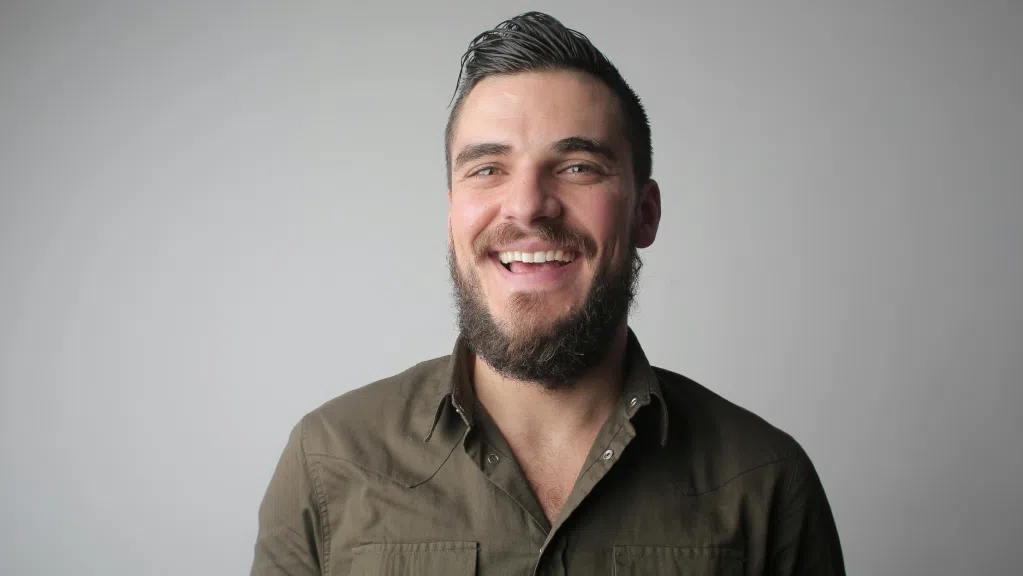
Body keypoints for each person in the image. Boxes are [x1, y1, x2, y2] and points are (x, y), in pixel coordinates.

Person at [251, 11, 845, 575]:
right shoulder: (327, 461)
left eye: (578, 166)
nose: (528, 205)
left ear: (645, 213)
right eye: (488, 169)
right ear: (452, 215)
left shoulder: (765, 481)